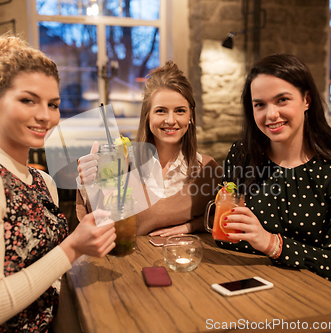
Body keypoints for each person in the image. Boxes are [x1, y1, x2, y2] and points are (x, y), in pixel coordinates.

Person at [0, 35, 116, 333]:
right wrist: (73, 247)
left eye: (53, 104)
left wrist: (95, 196)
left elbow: (49, 278)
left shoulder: (44, 182)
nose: (45, 116)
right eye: (28, 100)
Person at [219, 54, 331, 332]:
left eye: (282, 100)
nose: (270, 114)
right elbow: (227, 235)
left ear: (306, 100)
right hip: (268, 288)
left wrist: (272, 243)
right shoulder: (242, 156)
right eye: (259, 104)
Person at [76, 61, 222, 236]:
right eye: (161, 111)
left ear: (191, 116)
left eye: (180, 111)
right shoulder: (122, 163)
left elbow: (223, 215)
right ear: (147, 116)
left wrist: (190, 226)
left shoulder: (207, 169)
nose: (170, 120)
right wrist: (89, 184)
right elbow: (99, 222)